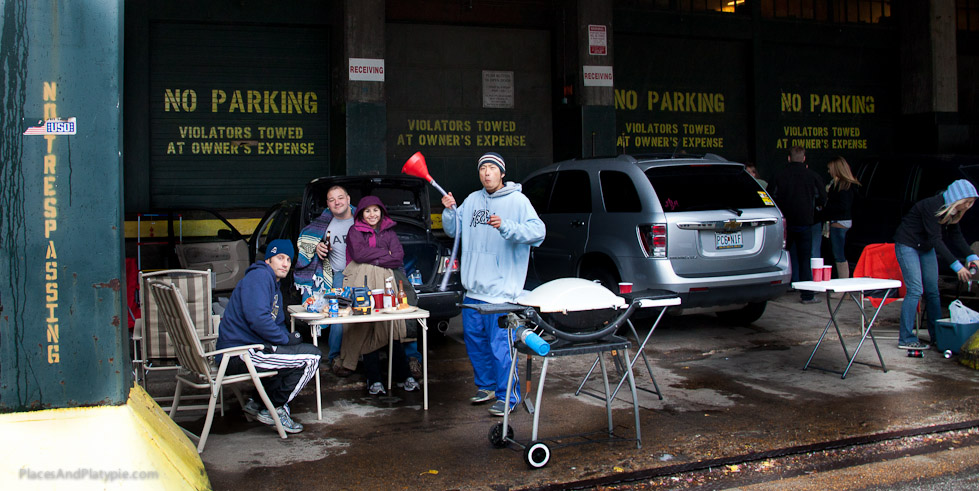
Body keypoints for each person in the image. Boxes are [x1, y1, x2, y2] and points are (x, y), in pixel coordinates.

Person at [441, 152, 546, 416]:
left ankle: (507, 396)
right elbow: (454, 231)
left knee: (501, 348)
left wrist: (508, 227)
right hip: (473, 290)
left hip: (501, 293)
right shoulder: (473, 200)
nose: (487, 173)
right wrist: (449, 211)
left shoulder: (518, 200)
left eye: (491, 168)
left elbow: (538, 232)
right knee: (475, 343)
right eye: (482, 169)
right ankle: (486, 386)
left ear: (502, 172)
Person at [216, 239, 321, 434]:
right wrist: (286, 340)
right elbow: (258, 319)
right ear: (268, 261)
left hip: (250, 349)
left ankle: (257, 403)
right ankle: (273, 407)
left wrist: (287, 341)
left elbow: (277, 323)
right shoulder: (259, 278)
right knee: (312, 357)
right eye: (280, 258)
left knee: (295, 353)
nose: (285, 264)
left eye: (288, 259)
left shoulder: (273, 284)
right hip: (238, 353)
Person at [337, 195, 419, 395]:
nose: (372, 214)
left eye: (376, 210)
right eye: (367, 211)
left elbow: (398, 257)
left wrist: (374, 257)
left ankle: (404, 376)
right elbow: (358, 254)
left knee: (391, 327)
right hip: (360, 284)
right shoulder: (354, 231)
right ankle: (374, 380)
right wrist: (385, 255)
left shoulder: (389, 231)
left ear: (381, 212)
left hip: (386, 284)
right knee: (365, 327)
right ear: (361, 214)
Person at [893, 179, 979, 351]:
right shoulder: (932, 205)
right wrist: (957, 266)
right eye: (967, 202)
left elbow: (956, 235)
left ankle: (938, 336)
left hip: (925, 246)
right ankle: (906, 337)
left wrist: (972, 255)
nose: (969, 206)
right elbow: (936, 240)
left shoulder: (953, 211)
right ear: (958, 198)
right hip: (908, 244)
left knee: (933, 291)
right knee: (916, 289)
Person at [295, 185, 355, 375]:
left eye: (340, 198)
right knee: (338, 315)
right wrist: (316, 247)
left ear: (348, 199)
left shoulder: (361, 218)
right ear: (328, 204)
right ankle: (336, 357)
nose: (337, 202)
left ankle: (365, 357)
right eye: (331, 199)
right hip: (339, 275)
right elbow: (305, 239)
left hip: (362, 272)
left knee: (367, 313)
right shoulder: (323, 223)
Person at [769, 146, 827, 304]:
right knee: (804, 258)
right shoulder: (812, 176)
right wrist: (814, 213)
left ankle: (778, 290)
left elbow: (770, 197)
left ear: (789, 158)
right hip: (805, 223)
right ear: (804, 158)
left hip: (785, 223)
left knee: (781, 256)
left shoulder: (779, 175)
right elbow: (822, 198)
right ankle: (807, 295)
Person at [822, 156, 861, 279]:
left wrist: (827, 209)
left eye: (830, 169)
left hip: (838, 222)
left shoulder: (842, 186)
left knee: (839, 255)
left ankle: (843, 286)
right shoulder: (847, 185)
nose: (828, 171)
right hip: (842, 221)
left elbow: (842, 206)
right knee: (840, 254)